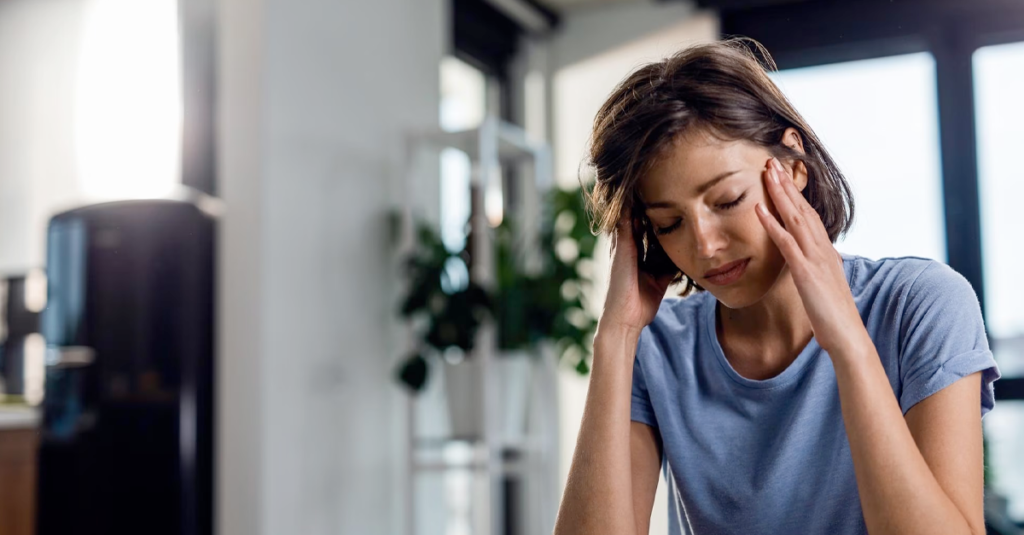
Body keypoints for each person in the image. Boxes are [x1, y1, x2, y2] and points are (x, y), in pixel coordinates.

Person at [553, 38, 1001, 535]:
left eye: (727, 200)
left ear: (792, 165)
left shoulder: (922, 304)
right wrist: (614, 337)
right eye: (668, 223)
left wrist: (847, 342)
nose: (704, 245)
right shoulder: (658, 345)